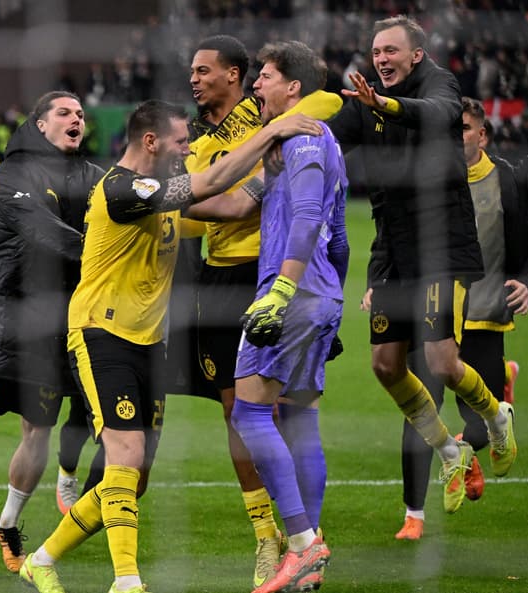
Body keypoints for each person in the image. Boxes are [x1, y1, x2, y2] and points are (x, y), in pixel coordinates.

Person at [18, 100, 318, 593]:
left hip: (149, 344)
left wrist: (273, 169)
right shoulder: (120, 188)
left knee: (131, 474)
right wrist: (272, 132)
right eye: (181, 142)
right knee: (126, 455)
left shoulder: (159, 194)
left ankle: (42, 560)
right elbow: (212, 182)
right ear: (151, 142)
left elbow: (237, 204)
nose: (187, 150)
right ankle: (127, 581)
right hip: (101, 334)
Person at [328, 15, 516, 516]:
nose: (382, 59)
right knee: (385, 365)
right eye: (376, 52)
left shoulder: (440, 83)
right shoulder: (364, 98)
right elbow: (325, 133)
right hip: (393, 248)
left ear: (415, 54)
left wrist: (384, 104)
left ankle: (498, 417)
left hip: (440, 246)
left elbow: (436, 114)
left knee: (440, 363)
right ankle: (450, 454)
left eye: (391, 51)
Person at [182, 34, 342, 588]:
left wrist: (282, 289)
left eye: (265, 77)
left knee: (250, 415)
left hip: (280, 287)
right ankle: (299, 550)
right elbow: (228, 203)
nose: (257, 84)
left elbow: (302, 217)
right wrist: (159, 196)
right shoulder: (280, 143)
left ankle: (300, 543)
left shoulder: (294, 136)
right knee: (296, 417)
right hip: (309, 292)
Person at [0, 91, 104, 573]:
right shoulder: (13, 172)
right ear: (41, 125)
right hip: (1, 319)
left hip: (55, 325)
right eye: (65, 113)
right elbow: (40, 229)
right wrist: (102, 251)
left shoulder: (94, 178)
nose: (76, 119)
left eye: (80, 114)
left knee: (38, 429)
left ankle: (7, 525)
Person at [382, 97, 528, 540]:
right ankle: (414, 515)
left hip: (484, 315)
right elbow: (393, 237)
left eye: (463, 128)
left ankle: (477, 430)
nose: (454, 136)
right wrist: (379, 282)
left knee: (478, 427)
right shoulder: (425, 180)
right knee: (419, 415)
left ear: (482, 135)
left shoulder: (511, 181)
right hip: (434, 312)